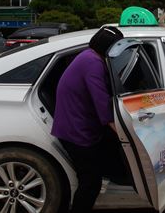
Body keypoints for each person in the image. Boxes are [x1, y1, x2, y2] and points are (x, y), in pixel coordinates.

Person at [51, 26, 124, 213]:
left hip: (76, 125)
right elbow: (101, 103)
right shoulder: (93, 63)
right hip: (77, 132)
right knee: (91, 182)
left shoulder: (88, 56)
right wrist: (124, 134)